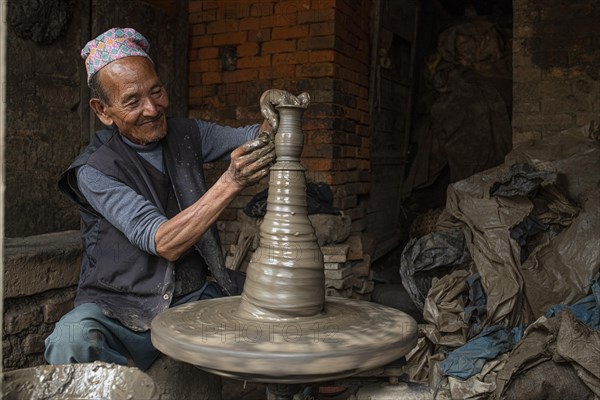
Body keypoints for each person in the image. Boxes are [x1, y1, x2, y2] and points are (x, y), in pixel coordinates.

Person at [44, 27, 280, 370]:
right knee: (72, 339)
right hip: (122, 307)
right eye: (132, 101)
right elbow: (162, 241)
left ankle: (300, 388)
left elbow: (254, 136)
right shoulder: (94, 170)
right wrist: (232, 181)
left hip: (192, 296)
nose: (153, 109)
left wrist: (279, 117)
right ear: (103, 110)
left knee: (282, 305)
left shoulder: (187, 134)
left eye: (157, 91)